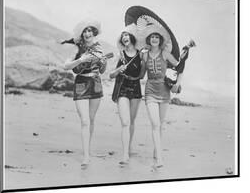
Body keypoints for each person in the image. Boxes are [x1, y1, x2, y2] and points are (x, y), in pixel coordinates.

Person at [139, 25, 186, 169]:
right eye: (152, 37)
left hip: (165, 91)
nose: (154, 39)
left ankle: (156, 150)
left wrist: (178, 83)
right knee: (155, 124)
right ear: (149, 39)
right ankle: (159, 159)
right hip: (150, 91)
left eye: (157, 37)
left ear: (160, 40)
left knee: (160, 125)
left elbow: (179, 67)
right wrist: (138, 62)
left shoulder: (165, 53)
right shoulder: (145, 55)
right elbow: (141, 75)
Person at [63, 20, 107, 169]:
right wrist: (81, 59)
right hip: (81, 83)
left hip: (95, 83)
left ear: (94, 32)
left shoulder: (99, 48)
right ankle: (86, 156)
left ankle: (87, 148)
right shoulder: (77, 47)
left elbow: (101, 71)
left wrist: (103, 63)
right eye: (85, 31)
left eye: (90, 31)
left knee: (92, 119)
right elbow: (66, 66)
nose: (87, 34)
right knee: (84, 121)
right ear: (81, 33)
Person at [110, 24, 144, 165]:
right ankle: (125, 155)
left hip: (135, 89)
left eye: (127, 35)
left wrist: (144, 63)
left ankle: (128, 147)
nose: (125, 38)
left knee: (131, 121)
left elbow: (141, 76)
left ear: (132, 37)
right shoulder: (121, 55)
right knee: (125, 122)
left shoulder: (141, 54)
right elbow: (111, 75)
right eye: (123, 36)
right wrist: (119, 69)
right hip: (123, 88)